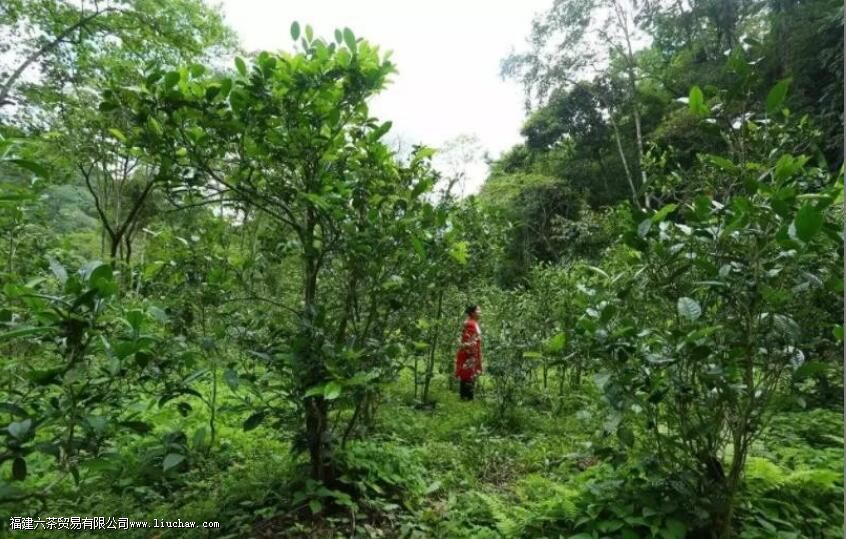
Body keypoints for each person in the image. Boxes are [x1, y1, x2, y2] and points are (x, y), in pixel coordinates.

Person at [455, 304, 483, 401]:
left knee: (467, 374)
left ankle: (465, 397)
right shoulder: (471, 324)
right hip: (469, 353)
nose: (480, 312)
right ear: (473, 313)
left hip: (470, 353)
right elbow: (469, 339)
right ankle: (467, 398)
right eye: (478, 310)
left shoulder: (471, 322)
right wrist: (471, 353)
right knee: (468, 374)